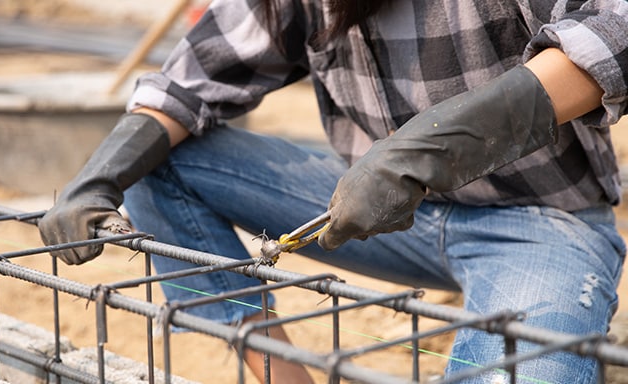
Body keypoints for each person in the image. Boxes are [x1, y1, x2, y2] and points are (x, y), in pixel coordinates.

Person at [38, 0, 628, 382]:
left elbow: (614, 33)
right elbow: (191, 81)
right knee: (158, 164)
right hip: (374, 207)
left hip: (541, 222)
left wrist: (428, 150)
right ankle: (284, 376)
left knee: (516, 372)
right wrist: (101, 174)